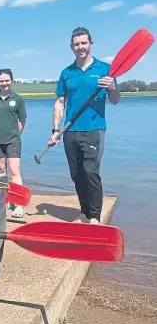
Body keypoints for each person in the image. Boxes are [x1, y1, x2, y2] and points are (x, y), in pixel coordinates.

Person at [48, 27, 120, 225]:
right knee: (76, 174)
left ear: (91, 44)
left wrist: (113, 87)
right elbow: (60, 102)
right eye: (76, 44)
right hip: (69, 131)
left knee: (90, 171)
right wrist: (55, 131)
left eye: (83, 43)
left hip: (93, 128)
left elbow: (115, 100)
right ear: (72, 47)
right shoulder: (66, 73)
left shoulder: (105, 69)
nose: (80, 47)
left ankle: (95, 217)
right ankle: (84, 213)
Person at [0, 68, 27, 218]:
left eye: (7, 80)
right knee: (2, 171)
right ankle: (5, 200)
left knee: (15, 172)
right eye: (1, 81)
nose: (4, 83)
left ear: (12, 80)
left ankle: (18, 205)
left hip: (13, 141)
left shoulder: (18, 99)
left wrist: (14, 134)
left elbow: (22, 120)